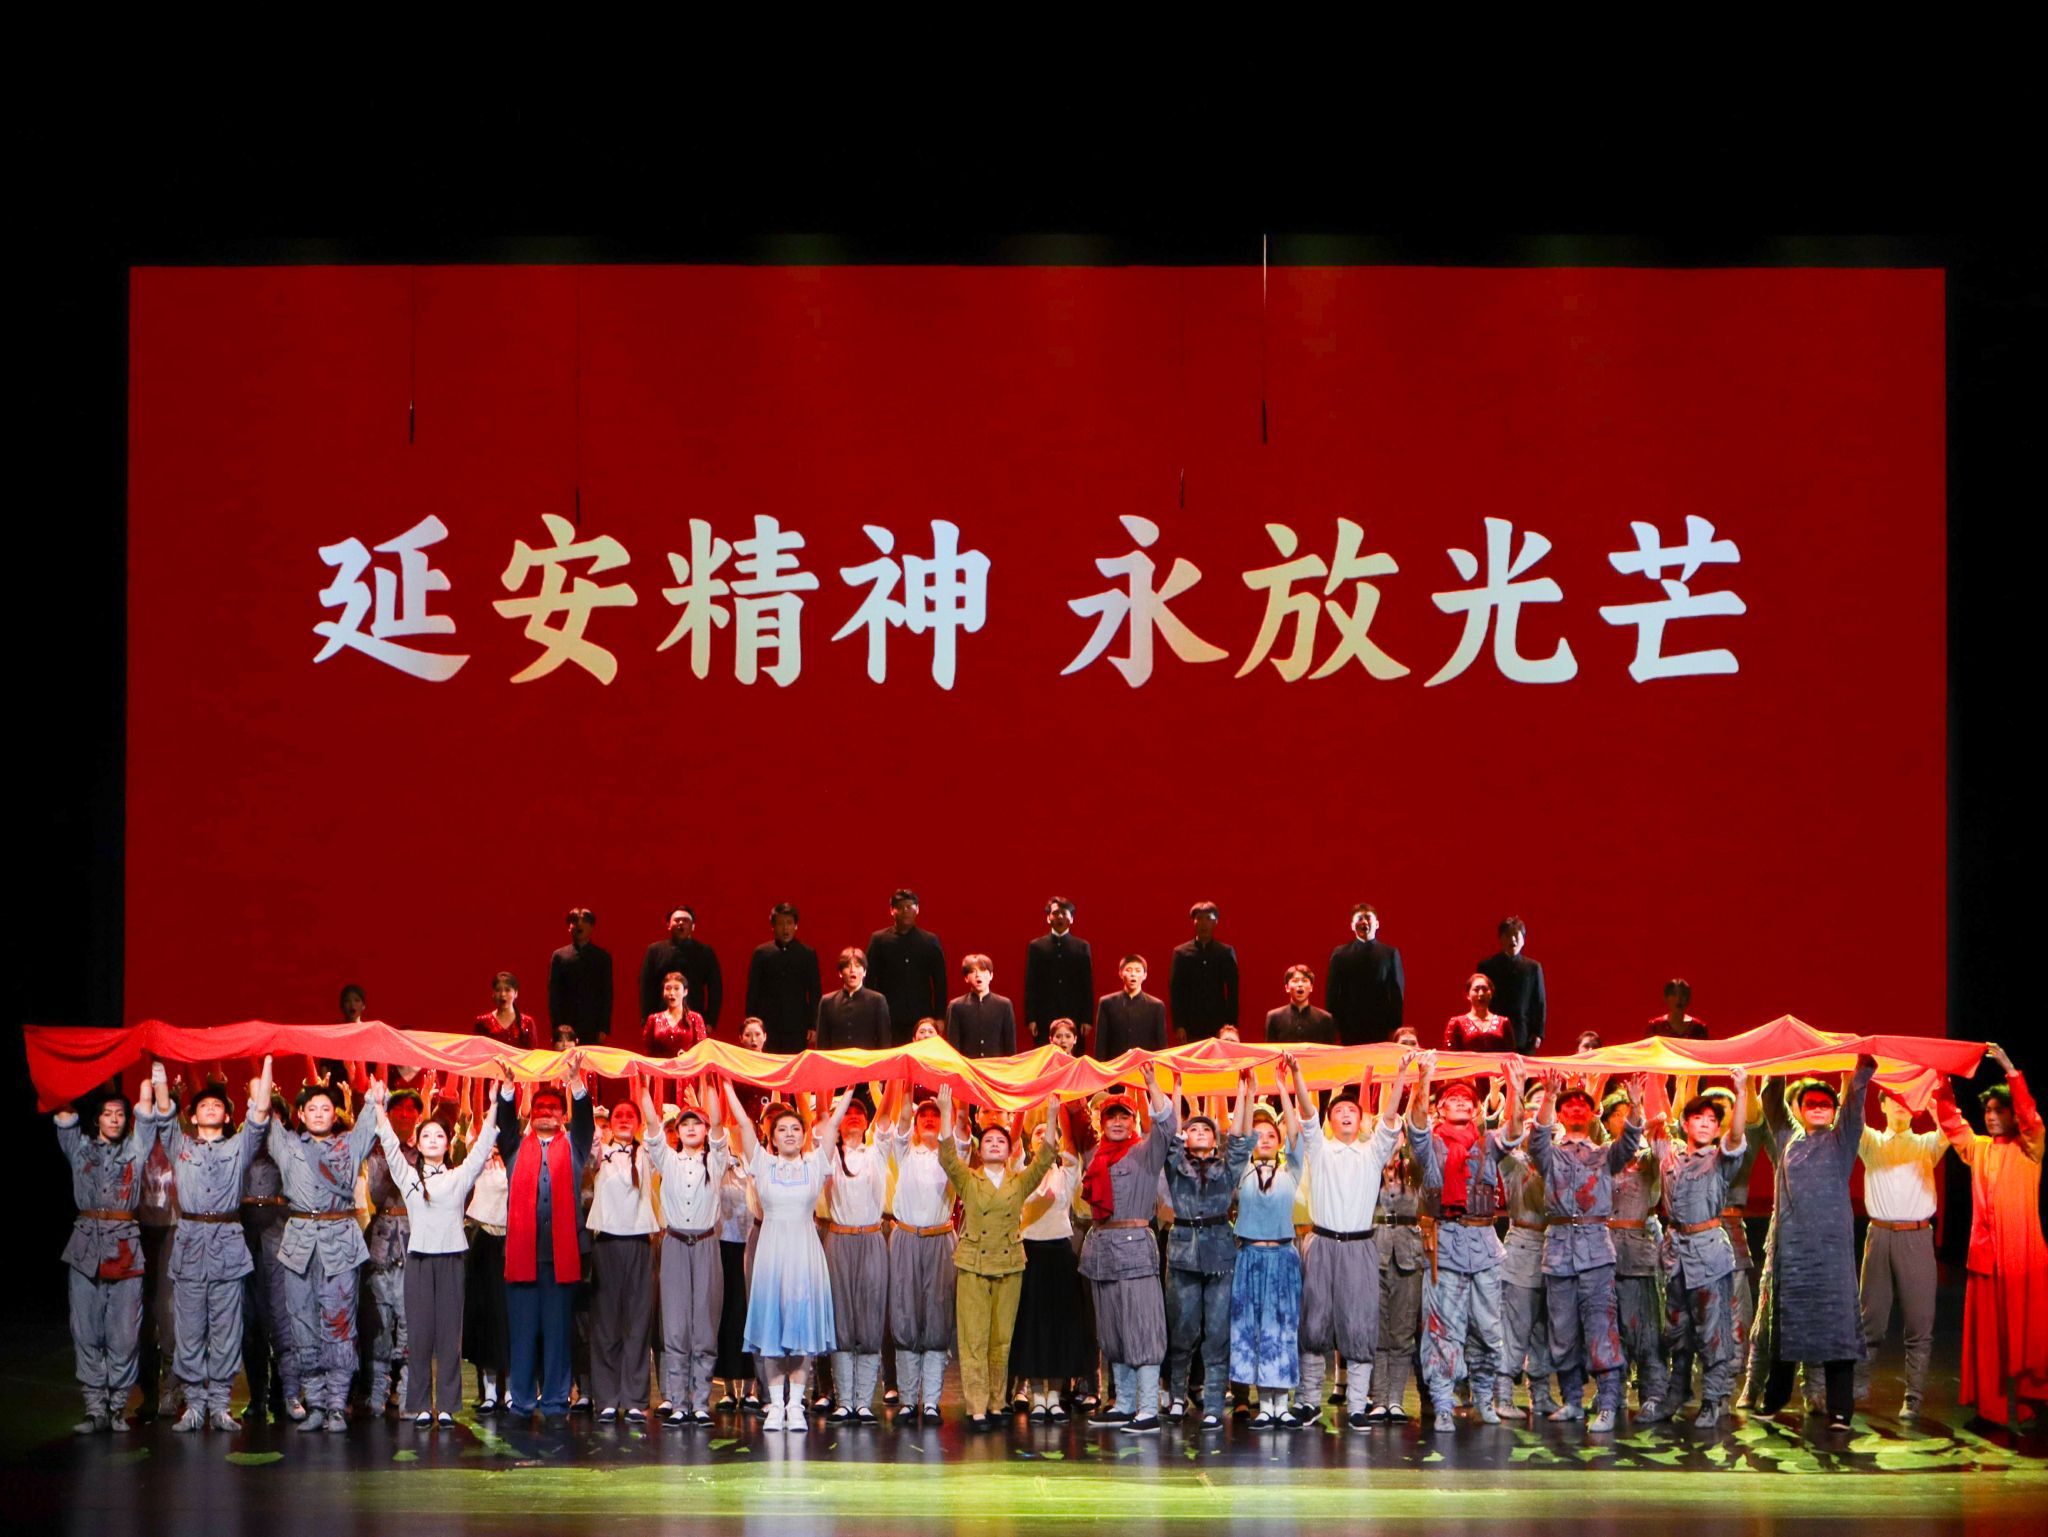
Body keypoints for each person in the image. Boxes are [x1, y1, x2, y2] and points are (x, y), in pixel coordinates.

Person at [1751, 1055, 1877, 1429]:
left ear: (1834, 1110)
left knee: (1838, 1327)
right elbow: (1771, 1102)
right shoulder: (1786, 1138)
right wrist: (1778, 1060)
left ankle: (1840, 1408)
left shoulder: (1841, 1140)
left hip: (1832, 1254)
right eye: (1811, 1104)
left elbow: (1854, 1104)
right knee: (1787, 1326)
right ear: (1801, 1110)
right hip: (1794, 1253)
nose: (1819, 1108)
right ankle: (1774, 1400)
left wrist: (1861, 1068)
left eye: (1825, 1103)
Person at [1285, 1052, 1410, 1429]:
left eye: (1351, 1111)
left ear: (1360, 1120)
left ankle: (1357, 1405)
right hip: (1322, 1245)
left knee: (1359, 1326)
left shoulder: (1371, 1154)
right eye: (1338, 1111)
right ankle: (1308, 1401)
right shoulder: (1320, 1150)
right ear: (1330, 1119)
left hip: (1359, 1247)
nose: (1344, 1115)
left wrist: (1400, 1075)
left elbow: (1389, 1120)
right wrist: (1297, 1074)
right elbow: (1307, 1115)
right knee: (1313, 1325)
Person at [373, 1074, 502, 1426]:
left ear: (448, 1143)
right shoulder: (409, 1177)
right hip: (418, 1261)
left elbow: (482, 1147)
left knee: (449, 1337)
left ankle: (446, 1405)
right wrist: (378, 1106)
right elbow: (388, 1144)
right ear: (417, 1141)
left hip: (451, 1261)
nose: (432, 1140)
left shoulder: (458, 1176)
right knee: (418, 1335)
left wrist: (494, 1104)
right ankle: (419, 1405)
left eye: (439, 1136)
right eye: (426, 1135)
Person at [1933, 1043, 2048, 1429]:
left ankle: (2034, 1404)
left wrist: (2009, 1069)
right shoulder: (1979, 1150)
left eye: (2001, 1110)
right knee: (1988, 1338)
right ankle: (1990, 1410)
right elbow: (1952, 1124)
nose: (1993, 1116)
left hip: (2024, 1256)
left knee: (2029, 1332)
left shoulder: (2030, 1147)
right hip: (1986, 1258)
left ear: (2013, 1115)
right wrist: (1941, 1080)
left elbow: (2030, 1116)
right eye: (1988, 1111)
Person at [728, 1084, 854, 1432]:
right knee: (772, 1331)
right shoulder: (763, 1163)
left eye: (795, 1129)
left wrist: (850, 1088)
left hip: (804, 1254)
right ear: (772, 1136)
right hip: (771, 1253)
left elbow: (832, 1125)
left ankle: (796, 1404)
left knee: (801, 1330)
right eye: (781, 1129)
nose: (788, 1134)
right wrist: (725, 1084)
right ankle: (775, 1404)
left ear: (804, 1135)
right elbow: (743, 1123)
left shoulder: (814, 1164)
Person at [157, 1058, 274, 1432]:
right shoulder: (181, 1145)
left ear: (226, 1116)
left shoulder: (239, 1146)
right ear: (192, 1117)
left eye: (217, 1105)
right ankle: (194, 1404)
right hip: (191, 1243)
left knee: (226, 1328)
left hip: (227, 1244)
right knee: (189, 1328)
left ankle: (220, 1404)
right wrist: (159, 1074)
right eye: (203, 1105)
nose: (210, 1108)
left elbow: (260, 1113)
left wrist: (266, 1063)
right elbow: (164, 1115)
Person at [1527, 1069, 1647, 1432]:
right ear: (1561, 1114)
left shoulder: (1605, 1155)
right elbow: (1536, 1139)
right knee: (1562, 1329)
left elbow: (1630, 1141)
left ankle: (1608, 1403)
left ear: (1593, 1113)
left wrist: (1636, 1105)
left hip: (1596, 1250)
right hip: (1559, 1251)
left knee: (1601, 1326)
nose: (1576, 1107)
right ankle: (1572, 1401)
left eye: (1583, 1103)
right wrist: (1550, 1096)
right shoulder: (1550, 1154)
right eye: (1569, 1104)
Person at [1408, 1053, 1522, 1432]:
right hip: (1445, 1247)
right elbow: (1416, 1127)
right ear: (1440, 1109)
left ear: (1475, 1110)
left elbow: (1514, 1130)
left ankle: (1484, 1397)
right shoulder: (1432, 1146)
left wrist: (1516, 1088)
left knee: (1489, 1329)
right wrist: (1424, 1079)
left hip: (1484, 1247)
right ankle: (1443, 1403)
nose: (1460, 1102)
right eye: (1451, 1099)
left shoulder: (1487, 1144)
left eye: (1466, 1100)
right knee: (1443, 1329)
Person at [938, 1086, 1063, 1428]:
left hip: (1009, 1265)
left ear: (1010, 1150)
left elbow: (1046, 1157)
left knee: (1001, 1338)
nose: (994, 1144)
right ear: (980, 1150)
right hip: (973, 1264)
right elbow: (947, 1156)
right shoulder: (968, 1179)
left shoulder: (1018, 1182)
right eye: (988, 1141)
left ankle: (997, 1402)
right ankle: (976, 1405)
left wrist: (1052, 1116)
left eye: (1001, 1141)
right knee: (973, 1338)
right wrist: (947, 1111)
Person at [1638, 1070, 1752, 1429]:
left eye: (1712, 1120)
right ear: (1685, 1124)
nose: (1705, 1123)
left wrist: (1741, 1091)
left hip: (1708, 1255)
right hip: (1676, 1254)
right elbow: (1654, 1122)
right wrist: (1651, 1079)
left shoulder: (1720, 1159)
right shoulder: (1670, 1157)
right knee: (1677, 1330)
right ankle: (1677, 1393)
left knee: (1713, 1331)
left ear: (1717, 1129)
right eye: (1698, 1118)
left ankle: (1714, 1399)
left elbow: (1737, 1135)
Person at [271, 1076, 384, 1431]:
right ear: (301, 1115)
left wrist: (373, 1099)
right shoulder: (288, 1145)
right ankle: (315, 1403)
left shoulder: (349, 1145)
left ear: (335, 1115)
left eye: (326, 1108)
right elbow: (260, 1119)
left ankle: (336, 1404)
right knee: (302, 1323)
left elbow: (368, 1123)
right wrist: (265, 1079)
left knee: (340, 1323)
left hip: (340, 1243)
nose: (319, 1114)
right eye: (312, 1108)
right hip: (299, 1244)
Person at [55, 1077, 163, 1433]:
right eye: (108, 1114)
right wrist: (60, 1072)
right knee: (86, 1330)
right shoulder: (80, 1149)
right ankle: (94, 1409)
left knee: (124, 1334)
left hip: (125, 1248)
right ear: (97, 1119)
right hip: (85, 1247)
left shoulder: (135, 1148)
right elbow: (63, 1112)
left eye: (120, 1114)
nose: (115, 1119)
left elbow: (146, 1116)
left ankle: (116, 1408)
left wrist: (150, 1077)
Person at [493, 1063, 597, 1419]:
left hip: (560, 1258)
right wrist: (509, 1088)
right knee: (522, 1334)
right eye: (540, 1108)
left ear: (563, 1115)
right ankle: (522, 1400)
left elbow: (586, 1123)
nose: (546, 1113)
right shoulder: (514, 1148)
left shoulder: (574, 1147)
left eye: (553, 1108)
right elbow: (505, 1124)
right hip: (522, 1256)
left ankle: (554, 1400)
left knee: (558, 1334)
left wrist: (576, 1083)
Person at [1079, 1063, 1177, 1431]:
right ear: (1102, 1122)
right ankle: (1123, 1403)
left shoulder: (1145, 1151)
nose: (1117, 1123)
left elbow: (1166, 1127)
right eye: (1111, 1117)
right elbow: (1075, 1124)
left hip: (1135, 1250)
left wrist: (1151, 1084)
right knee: (1113, 1330)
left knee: (1143, 1328)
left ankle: (1148, 1408)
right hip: (1102, 1252)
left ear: (1133, 1120)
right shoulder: (1096, 1156)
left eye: (1124, 1117)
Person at [1164, 1070, 1255, 1427]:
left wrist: (1243, 1091)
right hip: (1183, 1253)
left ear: (1215, 1140)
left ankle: (1214, 1403)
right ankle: (1176, 1396)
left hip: (1219, 1252)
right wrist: (1177, 1090)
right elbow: (1170, 1135)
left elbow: (1241, 1139)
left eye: (1206, 1129)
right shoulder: (1176, 1165)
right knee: (1182, 1330)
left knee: (1217, 1333)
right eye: (1194, 1129)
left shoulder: (1226, 1168)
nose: (1199, 1132)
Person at [636, 1074, 728, 1425]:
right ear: (677, 1131)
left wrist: (710, 1079)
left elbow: (718, 1123)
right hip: (674, 1244)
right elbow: (651, 1125)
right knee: (675, 1326)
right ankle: (677, 1401)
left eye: (696, 1123)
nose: (690, 1128)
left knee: (704, 1324)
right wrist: (643, 1086)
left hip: (705, 1245)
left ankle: (700, 1400)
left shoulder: (715, 1161)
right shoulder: (668, 1160)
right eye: (684, 1124)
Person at [1856, 1086, 1948, 1415]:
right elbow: (1851, 1117)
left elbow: (1951, 1130)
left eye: (1906, 1101)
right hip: (1879, 1235)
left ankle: (1914, 1397)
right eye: (1892, 1100)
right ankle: (1857, 1386)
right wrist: (1851, 1079)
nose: (1899, 1106)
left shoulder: (1926, 1143)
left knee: (1919, 1321)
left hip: (1916, 1237)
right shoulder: (1870, 1142)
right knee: (1871, 1319)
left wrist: (1934, 1101)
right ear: (1881, 1106)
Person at [1230, 1075, 1306, 1428]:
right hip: (1250, 1259)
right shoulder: (1243, 1171)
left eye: (1270, 1136)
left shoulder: (1290, 1171)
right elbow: (1239, 1137)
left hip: (1282, 1259)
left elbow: (1296, 1133)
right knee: (1254, 1330)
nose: (1263, 1139)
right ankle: (1263, 1403)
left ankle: (1282, 1403)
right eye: (1258, 1135)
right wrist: (1246, 1094)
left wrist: (1283, 1089)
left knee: (1283, 1329)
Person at [878, 1089, 956, 1424]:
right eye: (923, 1115)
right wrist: (906, 1081)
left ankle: (932, 1402)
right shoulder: (906, 1152)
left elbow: (957, 1134)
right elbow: (902, 1122)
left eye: (934, 1115)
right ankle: (909, 1400)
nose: (928, 1119)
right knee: (905, 1318)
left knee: (937, 1321)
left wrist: (948, 1108)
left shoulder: (952, 1156)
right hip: (907, 1238)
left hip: (939, 1240)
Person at [585, 1084, 660, 1423]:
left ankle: (634, 1398)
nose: (624, 1120)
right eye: (619, 1115)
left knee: (638, 1323)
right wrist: (578, 1085)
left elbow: (656, 1130)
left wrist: (643, 1088)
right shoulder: (600, 1151)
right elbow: (584, 1134)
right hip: (606, 1244)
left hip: (640, 1244)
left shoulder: (647, 1154)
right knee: (605, 1324)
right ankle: (606, 1397)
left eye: (631, 1115)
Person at [1010, 1115, 1090, 1421]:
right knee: (1032, 1325)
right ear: (1031, 1143)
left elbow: (1070, 1148)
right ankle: (1037, 1396)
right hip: (1029, 1253)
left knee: (1059, 1326)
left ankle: (1055, 1396)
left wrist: (1059, 1110)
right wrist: (1022, 1105)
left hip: (1059, 1253)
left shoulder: (1065, 1173)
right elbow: (1012, 1142)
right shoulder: (1021, 1172)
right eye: (1038, 1132)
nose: (1044, 1136)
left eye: (1050, 1132)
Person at [821, 1093, 889, 1422]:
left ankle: (863, 1400)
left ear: (867, 1122)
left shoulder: (877, 1151)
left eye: (860, 1113)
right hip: (839, 1240)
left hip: (872, 1239)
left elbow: (887, 1114)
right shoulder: (828, 1154)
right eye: (846, 1113)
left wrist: (896, 1077)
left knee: (870, 1320)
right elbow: (822, 1120)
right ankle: (844, 1399)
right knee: (841, 1322)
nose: (853, 1117)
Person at [1601, 1085, 1668, 1418]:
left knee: (1645, 1325)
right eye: (1617, 1115)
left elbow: (1663, 1155)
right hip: (1605, 1249)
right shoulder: (1602, 1154)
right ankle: (1613, 1391)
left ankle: (1653, 1392)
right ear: (1607, 1122)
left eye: (1629, 1114)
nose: (1624, 1119)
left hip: (1640, 1246)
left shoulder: (1647, 1155)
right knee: (1610, 1325)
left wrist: (1647, 1114)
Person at [1497, 1080, 1559, 1420]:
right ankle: (1503, 1393)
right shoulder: (1514, 1161)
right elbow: (1510, 1128)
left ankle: (1541, 1393)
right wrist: (1515, 1089)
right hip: (1523, 1244)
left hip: (1557, 1246)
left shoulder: (1560, 1161)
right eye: (1532, 1119)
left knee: (1545, 1327)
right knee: (1516, 1324)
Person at [361, 1085, 424, 1420]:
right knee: (379, 1322)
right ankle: (377, 1393)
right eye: (399, 1109)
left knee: (411, 1321)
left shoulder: (426, 1151)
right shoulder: (377, 1151)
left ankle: (410, 1393)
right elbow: (376, 1191)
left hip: (415, 1239)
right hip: (383, 1241)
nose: (405, 1114)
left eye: (412, 1109)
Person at [239, 1087, 296, 1424]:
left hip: (282, 1240)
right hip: (245, 1242)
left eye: (274, 1116)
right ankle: (257, 1396)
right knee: (251, 1324)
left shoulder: (292, 1152)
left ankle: (285, 1392)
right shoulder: (240, 1150)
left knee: (283, 1321)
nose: (268, 1123)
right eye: (262, 1116)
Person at [1368, 1101, 1427, 1424]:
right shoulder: (1367, 1167)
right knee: (1378, 1331)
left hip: (1408, 1252)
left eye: (1396, 1133)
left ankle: (1396, 1400)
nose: (1391, 1138)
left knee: (1403, 1332)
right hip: (1374, 1251)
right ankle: (1378, 1399)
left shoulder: (1415, 1168)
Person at [711, 1115, 758, 1413]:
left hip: (754, 1244)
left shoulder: (758, 1162)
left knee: (751, 1312)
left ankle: (752, 1387)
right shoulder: (721, 1164)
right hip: (726, 1245)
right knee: (728, 1314)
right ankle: (728, 1389)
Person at [463, 1132, 510, 1412]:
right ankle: (489, 1389)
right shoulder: (478, 1163)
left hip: (512, 1242)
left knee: (510, 1316)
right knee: (485, 1317)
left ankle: (512, 1389)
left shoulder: (516, 1162)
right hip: (484, 1243)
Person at [866, 889, 947, 1047]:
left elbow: (940, 981)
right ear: (892, 910)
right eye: (900, 907)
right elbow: (869, 980)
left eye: (910, 907)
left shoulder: (929, 941)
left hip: (922, 1017)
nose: (905, 911)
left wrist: (940, 1017)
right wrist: (871, 1013)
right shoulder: (879, 940)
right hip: (888, 1016)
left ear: (917, 909)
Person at [745, 903, 823, 1055]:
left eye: (789, 923)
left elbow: (815, 991)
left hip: (797, 1024)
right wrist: (751, 1022)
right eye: (780, 923)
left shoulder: (807, 954)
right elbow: (753, 991)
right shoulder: (762, 953)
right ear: (773, 927)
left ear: (796, 926)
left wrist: (813, 1025)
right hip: (767, 1023)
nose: (785, 928)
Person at [1327, 903, 1405, 1046]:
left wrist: (1395, 1027)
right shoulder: (1340, 954)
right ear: (1352, 926)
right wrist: (1334, 1026)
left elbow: (1397, 994)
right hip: (1349, 1026)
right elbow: (1332, 993)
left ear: (1377, 924)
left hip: (1381, 1026)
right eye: (1359, 919)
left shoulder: (1389, 953)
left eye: (1368, 918)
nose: (1364, 922)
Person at [640, 905, 724, 1034]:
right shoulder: (655, 951)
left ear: (693, 926)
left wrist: (710, 1021)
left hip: (696, 1017)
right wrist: (646, 1019)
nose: (680, 923)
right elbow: (646, 987)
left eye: (685, 920)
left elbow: (715, 988)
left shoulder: (705, 952)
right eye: (677, 920)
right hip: (661, 1017)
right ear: (668, 925)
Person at [1024, 896, 1094, 1050]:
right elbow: (1031, 983)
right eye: (1055, 913)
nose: (1060, 917)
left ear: (1072, 919)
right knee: (1045, 1055)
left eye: (1064, 913)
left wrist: (1087, 1019)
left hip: (1075, 1013)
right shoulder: (1036, 946)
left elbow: (1087, 984)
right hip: (1044, 1014)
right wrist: (1031, 1018)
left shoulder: (1081, 946)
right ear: (1048, 918)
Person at [1169, 901, 1240, 1043]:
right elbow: (1175, 992)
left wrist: (1230, 1025)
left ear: (1216, 922)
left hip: (1219, 1023)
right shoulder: (1181, 953)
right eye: (1199, 919)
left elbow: (1233, 991)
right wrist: (1179, 1025)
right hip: (1190, 1023)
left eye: (1208, 918)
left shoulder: (1225, 952)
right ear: (1193, 922)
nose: (1204, 923)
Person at [1476, 917, 1547, 1054]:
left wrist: (1538, 1033)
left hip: (1524, 1035)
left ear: (1523, 940)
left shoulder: (1532, 968)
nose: (1512, 940)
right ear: (1500, 939)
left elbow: (1539, 1002)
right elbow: (1480, 1000)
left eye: (1516, 935)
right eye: (1508, 936)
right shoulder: (1487, 966)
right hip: (1491, 1032)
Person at [548, 907, 615, 1044]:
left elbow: (607, 994)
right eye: (574, 921)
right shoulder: (559, 956)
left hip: (593, 1023)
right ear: (569, 927)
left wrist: (603, 1027)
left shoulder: (602, 957)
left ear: (592, 927)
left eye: (585, 921)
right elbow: (554, 994)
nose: (579, 924)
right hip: (566, 1023)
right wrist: (557, 1025)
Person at [816, 948, 892, 1052]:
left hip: (867, 1060)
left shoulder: (877, 1000)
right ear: (840, 973)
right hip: (837, 1060)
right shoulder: (827, 1002)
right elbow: (821, 1045)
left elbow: (884, 1043)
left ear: (864, 972)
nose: (852, 970)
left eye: (857, 966)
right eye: (847, 966)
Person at [1093, 955, 1167, 1060]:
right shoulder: (1106, 1003)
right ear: (1120, 973)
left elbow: (1162, 1045)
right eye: (1128, 970)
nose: (1133, 974)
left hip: (1144, 1065)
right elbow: (1100, 1043)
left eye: (1138, 971)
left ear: (1145, 975)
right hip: (1115, 1064)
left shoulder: (1156, 1006)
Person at [947, 955, 1017, 1059]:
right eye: (972, 971)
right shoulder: (956, 1006)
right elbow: (952, 1048)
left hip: (996, 1067)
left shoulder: (1004, 1005)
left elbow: (1010, 1046)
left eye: (983, 970)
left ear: (991, 975)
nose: (978, 975)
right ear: (966, 978)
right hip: (967, 1067)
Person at [643, 972, 709, 1060]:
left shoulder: (695, 1018)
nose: (672, 993)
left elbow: (702, 1051)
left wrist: (688, 1056)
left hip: (686, 1067)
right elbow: (647, 1053)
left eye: (677, 988)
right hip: (660, 1067)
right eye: (668, 988)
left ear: (685, 992)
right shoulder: (653, 1019)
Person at [1265, 965, 1336, 1045]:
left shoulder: (1325, 1019)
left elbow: (1330, 1051)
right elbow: (1270, 1049)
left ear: (1311, 987)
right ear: (1287, 987)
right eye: (1295, 981)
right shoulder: (1274, 1017)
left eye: (1304, 981)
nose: (1300, 984)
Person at [1444, 973, 1513, 1053]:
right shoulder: (1457, 1023)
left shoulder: (1503, 1022)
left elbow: (1511, 1055)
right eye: (1476, 990)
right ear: (1468, 995)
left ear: (1491, 993)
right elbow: (1450, 1055)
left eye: (1485, 989)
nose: (1481, 994)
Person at [477, 971, 542, 1051]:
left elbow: (532, 1053)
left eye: (507, 990)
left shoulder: (527, 1022)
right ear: (493, 993)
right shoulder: (483, 1022)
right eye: (498, 990)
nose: (503, 994)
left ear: (516, 993)